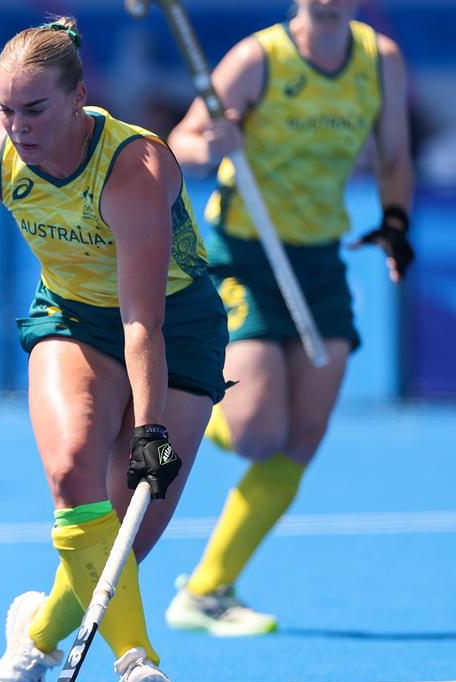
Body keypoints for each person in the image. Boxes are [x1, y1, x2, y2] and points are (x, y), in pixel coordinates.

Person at [0, 17, 229, 682]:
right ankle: (137, 665)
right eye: (5, 109)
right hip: (71, 317)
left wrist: (149, 430)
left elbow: (142, 320)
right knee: (72, 473)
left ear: (80, 95)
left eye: (36, 109)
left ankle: (33, 640)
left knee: (128, 538)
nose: (17, 126)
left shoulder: (133, 170)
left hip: (175, 324)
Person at [162, 0, 413, 636]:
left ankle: (206, 590)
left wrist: (395, 223)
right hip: (245, 253)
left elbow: (394, 156)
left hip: (320, 260)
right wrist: (208, 142)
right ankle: (188, 410)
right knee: (255, 433)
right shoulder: (258, 60)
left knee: (302, 437)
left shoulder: (379, 61)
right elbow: (178, 142)